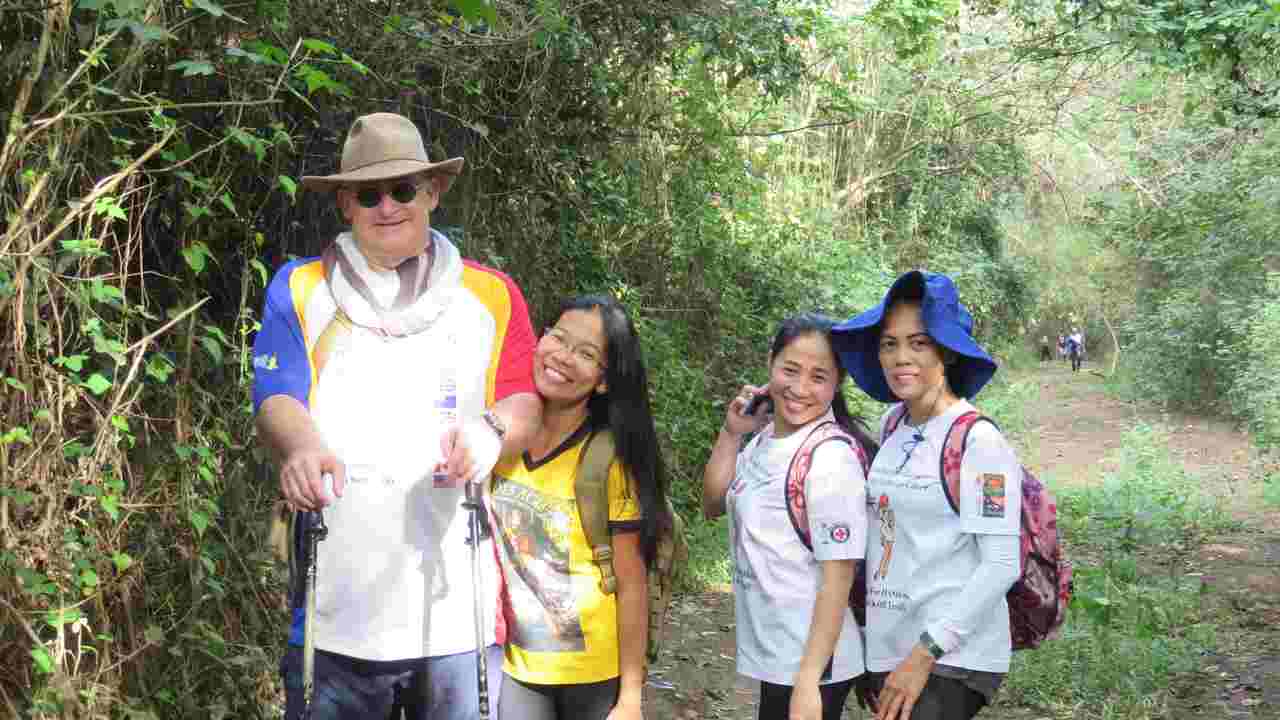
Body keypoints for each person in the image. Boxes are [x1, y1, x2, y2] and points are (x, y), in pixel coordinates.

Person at [252, 112, 542, 719]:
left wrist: (490, 431)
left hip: (458, 609)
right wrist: (301, 448)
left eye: (403, 189)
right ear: (345, 205)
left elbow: (525, 401)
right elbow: (277, 396)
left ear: (433, 192)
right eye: (368, 194)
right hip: (336, 606)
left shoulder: (491, 295)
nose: (387, 207)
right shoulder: (299, 288)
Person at [832, 270, 1023, 720]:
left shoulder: (979, 441)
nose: (901, 357)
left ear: (947, 352)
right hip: (893, 643)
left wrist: (925, 653)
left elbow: (1001, 564)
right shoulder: (894, 425)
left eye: (918, 343)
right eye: (889, 344)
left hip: (953, 655)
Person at [489, 295, 668, 720]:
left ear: (603, 381)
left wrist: (630, 697)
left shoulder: (607, 459)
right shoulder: (499, 439)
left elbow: (632, 584)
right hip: (518, 665)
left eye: (587, 354)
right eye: (558, 338)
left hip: (593, 674)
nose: (564, 357)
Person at [702, 313, 878, 720]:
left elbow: (839, 577)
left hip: (812, 663)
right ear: (771, 363)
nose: (800, 388)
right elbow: (713, 504)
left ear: (837, 384)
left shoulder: (831, 458)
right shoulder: (766, 439)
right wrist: (732, 432)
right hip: (780, 652)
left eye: (819, 377)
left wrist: (809, 680)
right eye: (790, 370)